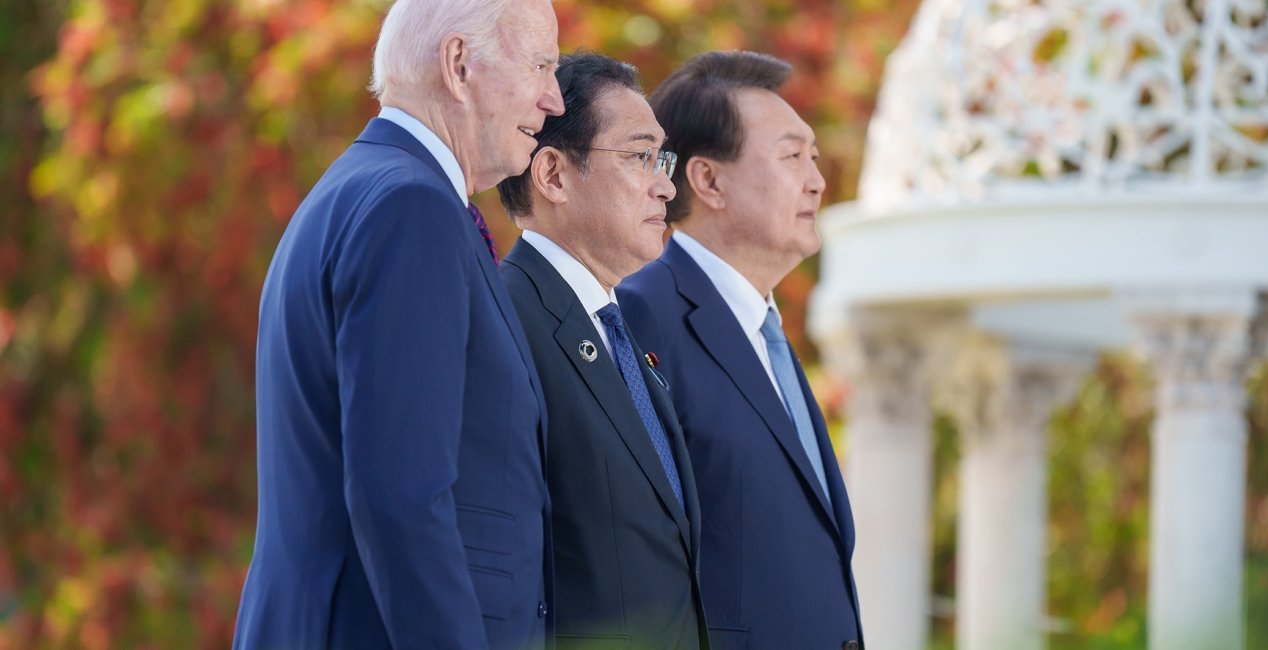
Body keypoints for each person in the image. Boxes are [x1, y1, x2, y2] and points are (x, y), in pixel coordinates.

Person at [233, 0, 564, 647]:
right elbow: (401, 495)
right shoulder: (409, 206)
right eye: (542, 65)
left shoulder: (364, 189)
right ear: (459, 64)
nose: (554, 99)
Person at [618, 50, 863, 650]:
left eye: (812, 155)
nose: (817, 179)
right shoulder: (640, 313)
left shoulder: (766, 330)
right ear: (708, 180)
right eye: (791, 156)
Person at [496, 51, 707, 649]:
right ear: (554, 175)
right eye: (640, 156)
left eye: (661, 158)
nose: (666, 184)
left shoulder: (615, 327)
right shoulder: (505, 322)